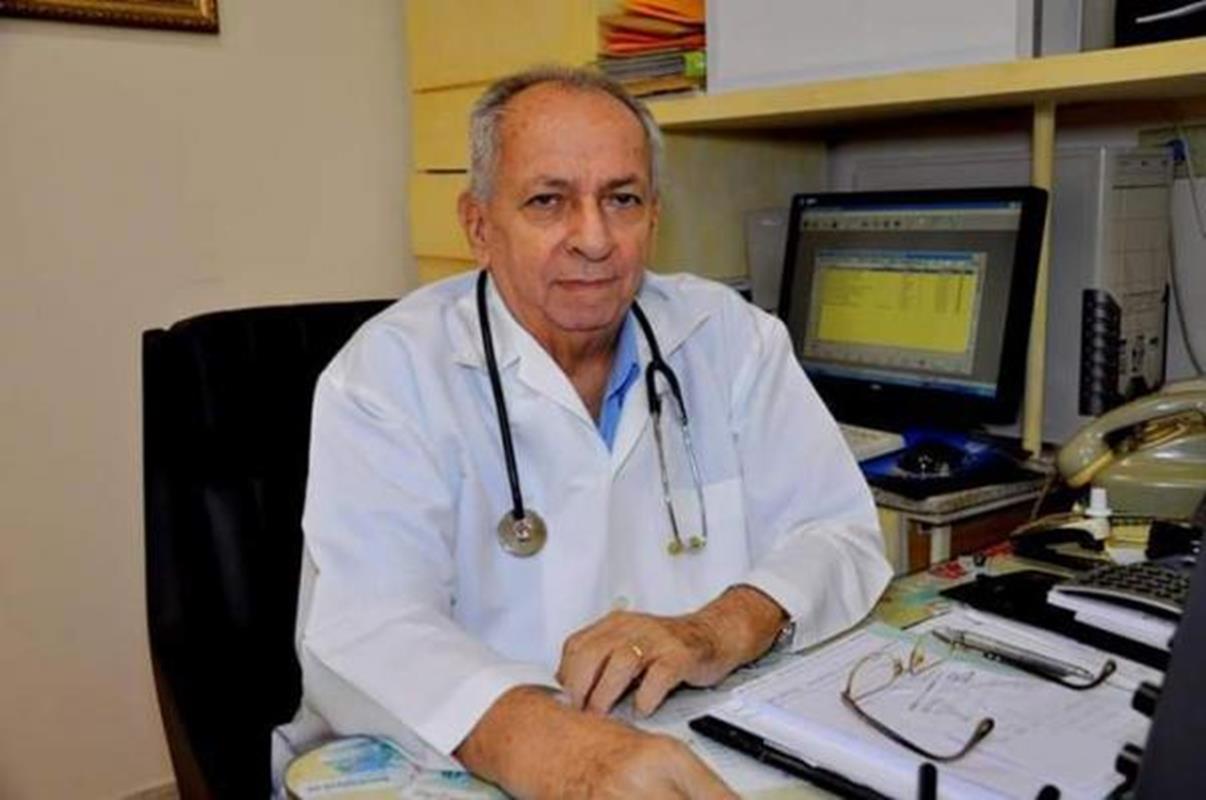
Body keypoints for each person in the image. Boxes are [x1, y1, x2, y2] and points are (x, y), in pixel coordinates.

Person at [278, 65, 892, 798]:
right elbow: (365, 628)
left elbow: (838, 533)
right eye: (548, 201)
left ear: (654, 217)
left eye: (622, 199)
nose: (594, 239)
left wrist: (716, 628)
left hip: (702, 740)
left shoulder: (731, 338)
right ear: (479, 225)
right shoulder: (389, 374)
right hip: (464, 763)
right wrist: (555, 749)